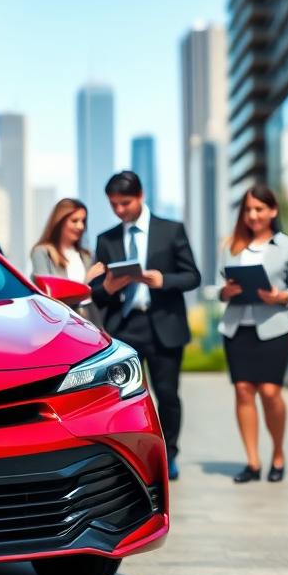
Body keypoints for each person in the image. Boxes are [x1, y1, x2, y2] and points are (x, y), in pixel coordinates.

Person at [91, 171, 201, 480]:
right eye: (113, 205)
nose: (119, 210)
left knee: (167, 394)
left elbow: (193, 276)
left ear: (140, 196)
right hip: (125, 327)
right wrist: (110, 287)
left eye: (124, 203)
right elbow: (97, 293)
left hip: (164, 324)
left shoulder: (171, 230)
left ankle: (170, 456)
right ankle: (129, 459)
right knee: (123, 398)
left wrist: (162, 280)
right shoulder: (107, 239)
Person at [218, 185, 288, 484]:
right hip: (236, 328)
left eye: (259, 209)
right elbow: (219, 289)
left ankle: (279, 453)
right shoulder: (230, 245)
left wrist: (280, 296)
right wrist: (225, 292)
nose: (253, 215)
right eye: (248, 209)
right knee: (243, 391)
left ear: (273, 211)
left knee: (270, 393)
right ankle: (253, 462)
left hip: (275, 327)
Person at [30, 198, 106, 327]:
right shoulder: (42, 253)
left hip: (91, 322)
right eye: (74, 221)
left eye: (83, 221)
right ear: (60, 221)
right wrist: (86, 281)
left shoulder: (87, 255)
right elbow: (47, 297)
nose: (80, 226)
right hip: (62, 325)